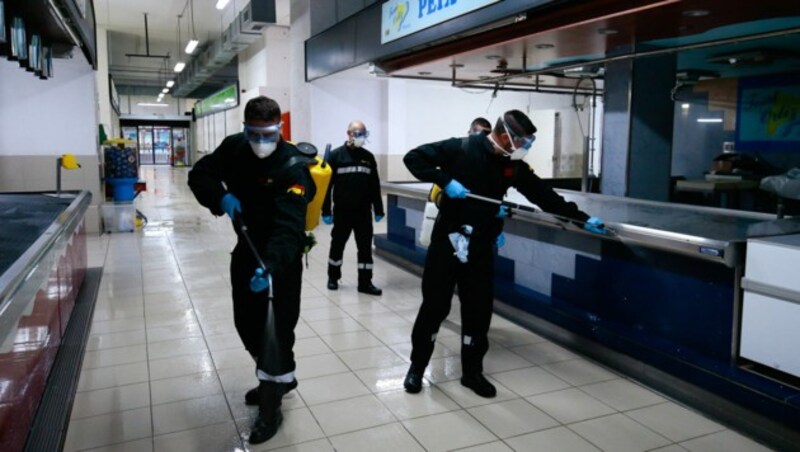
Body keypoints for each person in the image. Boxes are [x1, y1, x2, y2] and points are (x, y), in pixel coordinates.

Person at [402, 109, 605, 398]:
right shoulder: (461, 147)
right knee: (435, 306)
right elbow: (413, 157)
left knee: (478, 311)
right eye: (522, 142)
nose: (524, 148)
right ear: (506, 136)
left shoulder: (511, 165)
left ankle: (472, 373)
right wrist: (445, 181)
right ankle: (416, 367)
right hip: (448, 240)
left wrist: (582, 219)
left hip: (482, 244)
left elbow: (544, 196)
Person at [187, 96, 315, 444]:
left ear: (280, 129)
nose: (260, 141)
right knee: (246, 323)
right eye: (254, 133)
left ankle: (271, 405)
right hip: (246, 250)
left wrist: (271, 267)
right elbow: (200, 174)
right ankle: (275, 378)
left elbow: (290, 228)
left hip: (281, 260)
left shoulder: (293, 167)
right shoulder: (235, 148)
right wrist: (220, 197)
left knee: (276, 332)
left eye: (267, 133)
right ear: (245, 129)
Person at [322, 120, 385, 295]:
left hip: (363, 212)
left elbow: (374, 185)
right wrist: (325, 210)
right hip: (342, 212)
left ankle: (365, 282)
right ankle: (333, 277)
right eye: (357, 133)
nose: (360, 137)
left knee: (365, 248)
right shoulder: (336, 156)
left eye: (363, 134)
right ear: (348, 133)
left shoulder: (368, 157)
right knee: (338, 245)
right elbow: (326, 187)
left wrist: (378, 209)